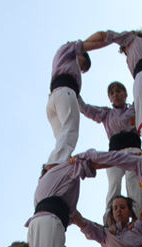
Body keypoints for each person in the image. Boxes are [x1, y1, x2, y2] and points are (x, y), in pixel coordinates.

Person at [84, 30, 142, 155]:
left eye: (125, 52)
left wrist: (82, 46)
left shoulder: (131, 39)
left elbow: (104, 35)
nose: (126, 54)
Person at [79, 82, 142, 215]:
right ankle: (110, 221)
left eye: (119, 91)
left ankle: (136, 219)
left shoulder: (135, 108)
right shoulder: (106, 114)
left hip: (134, 150)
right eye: (112, 93)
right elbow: (85, 109)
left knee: (133, 183)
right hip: (114, 153)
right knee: (114, 184)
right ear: (109, 98)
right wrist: (73, 93)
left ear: (125, 94)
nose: (116, 95)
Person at [45, 37, 105, 165]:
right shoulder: (69, 49)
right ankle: (55, 164)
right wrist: (104, 40)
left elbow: (81, 105)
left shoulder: (62, 61)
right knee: (70, 130)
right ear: (81, 55)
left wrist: (93, 113)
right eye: (83, 65)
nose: (81, 69)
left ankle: (59, 164)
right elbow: (82, 45)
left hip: (54, 98)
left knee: (62, 138)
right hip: (65, 92)